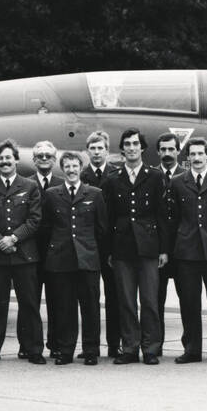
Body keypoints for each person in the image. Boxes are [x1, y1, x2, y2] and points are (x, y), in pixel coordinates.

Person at [102, 129, 167, 364]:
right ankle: (129, 347)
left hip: (148, 246)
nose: (131, 148)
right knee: (126, 301)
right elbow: (108, 218)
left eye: (135, 144)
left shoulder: (155, 177)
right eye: (127, 144)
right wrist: (109, 251)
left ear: (142, 148)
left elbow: (162, 215)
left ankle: (151, 349)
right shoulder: (112, 179)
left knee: (149, 300)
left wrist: (163, 249)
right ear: (122, 149)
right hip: (122, 247)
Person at [0, 139, 44, 364]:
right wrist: (0, 241)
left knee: (29, 304)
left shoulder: (30, 186)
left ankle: (34, 350)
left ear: (16, 160)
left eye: (8, 158)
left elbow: (34, 219)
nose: (5, 162)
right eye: (1, 158)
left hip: (24, 255)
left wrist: (14, 238)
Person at [167, 138, 207, 364]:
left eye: (200, 154)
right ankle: (192, 349)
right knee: (189, 302)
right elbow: (174, 217)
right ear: (187, 158)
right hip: (187, 251)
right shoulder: (177, 182)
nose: (196, 158)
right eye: (192, 154)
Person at [41, 151, 108, 365]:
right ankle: (65, 350)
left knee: (91, 307)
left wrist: (94, 253)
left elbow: (102, 229)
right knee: (64, 307)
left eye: (75, 166)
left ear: (81, 168)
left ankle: (91, 351)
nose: (71, 170)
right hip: (61, 259)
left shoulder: (95, 194)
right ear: (62, 169)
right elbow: (46, 227)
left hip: (87, 259)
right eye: (67, 166)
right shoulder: (52, 194)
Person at [82, 130, 121, 357]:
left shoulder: (116, 174)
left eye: (100, 148)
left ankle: (114, 344)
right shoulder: (81, 175)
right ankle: (91, 346)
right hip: (87, 244)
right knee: (89, 298)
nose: (96, 152)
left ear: (107, 150)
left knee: (113, 296)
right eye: (93, 148)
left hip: (110, 245)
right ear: (87, 151)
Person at [29, 140, 65, 357]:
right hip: (31, 251)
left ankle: (56, 344)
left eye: (48, 156)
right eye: (40, 156)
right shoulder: (25, 183)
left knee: (57, 300)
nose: (44, 159)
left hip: (56, 251)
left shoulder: (62, 184)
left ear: (54, 160)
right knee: (30, 302)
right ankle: (28, 346)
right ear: (33, 160)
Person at [155, 132, 184, 325]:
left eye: (171, 149)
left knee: (187, 299)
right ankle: (156, 341)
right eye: (163, 149)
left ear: (178, 151)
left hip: (183, 246)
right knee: (156, 299)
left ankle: (190, 341)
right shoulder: (150, 176)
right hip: (158, 247)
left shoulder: (187, 176)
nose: (167, 153)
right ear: (158, 152)